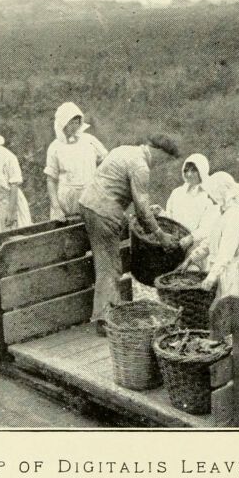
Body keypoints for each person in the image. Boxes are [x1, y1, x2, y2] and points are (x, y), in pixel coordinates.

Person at [79, 136, 185, 334]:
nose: (161, 165)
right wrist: (161, 235)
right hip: (103, 212)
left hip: (88, 203)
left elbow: (115, 187)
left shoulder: (124, 149)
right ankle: (105, 320)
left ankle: (107, 313)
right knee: (111, 266)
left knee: (105, 262)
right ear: (158, 151)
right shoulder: (141, 167)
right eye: (165, 160)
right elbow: (142, 209)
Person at [44, 102, 107, 220]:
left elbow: (106, 162)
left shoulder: (89, 141)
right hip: (66, 201)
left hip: (90, 198)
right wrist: (56, 207)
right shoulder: (55, 147)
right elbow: (51, 180)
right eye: (70, 123)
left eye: (76, 122)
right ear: (62, 124)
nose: (74, 126)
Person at [163, 154, 221, 274]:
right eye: (186, 170)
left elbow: (208, 228)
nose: (189, 174)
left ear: (202, 171)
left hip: (197, 249)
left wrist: (191, 238)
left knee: (192, 279)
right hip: (176, 248)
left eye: (194, 170)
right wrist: (161, 213)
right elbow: (170, 219)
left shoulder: (209, 196)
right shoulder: (177, 193)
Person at [198, 171, 239, 297]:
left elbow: (226, 253)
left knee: (232, 309)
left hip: (232, 275)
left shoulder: (234, 215)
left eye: (210, 193)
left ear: (220, 193)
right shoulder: (220, 212)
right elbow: (210, 240)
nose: (208, 197)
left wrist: (212, 276)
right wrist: (192, 258)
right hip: (219, 272)